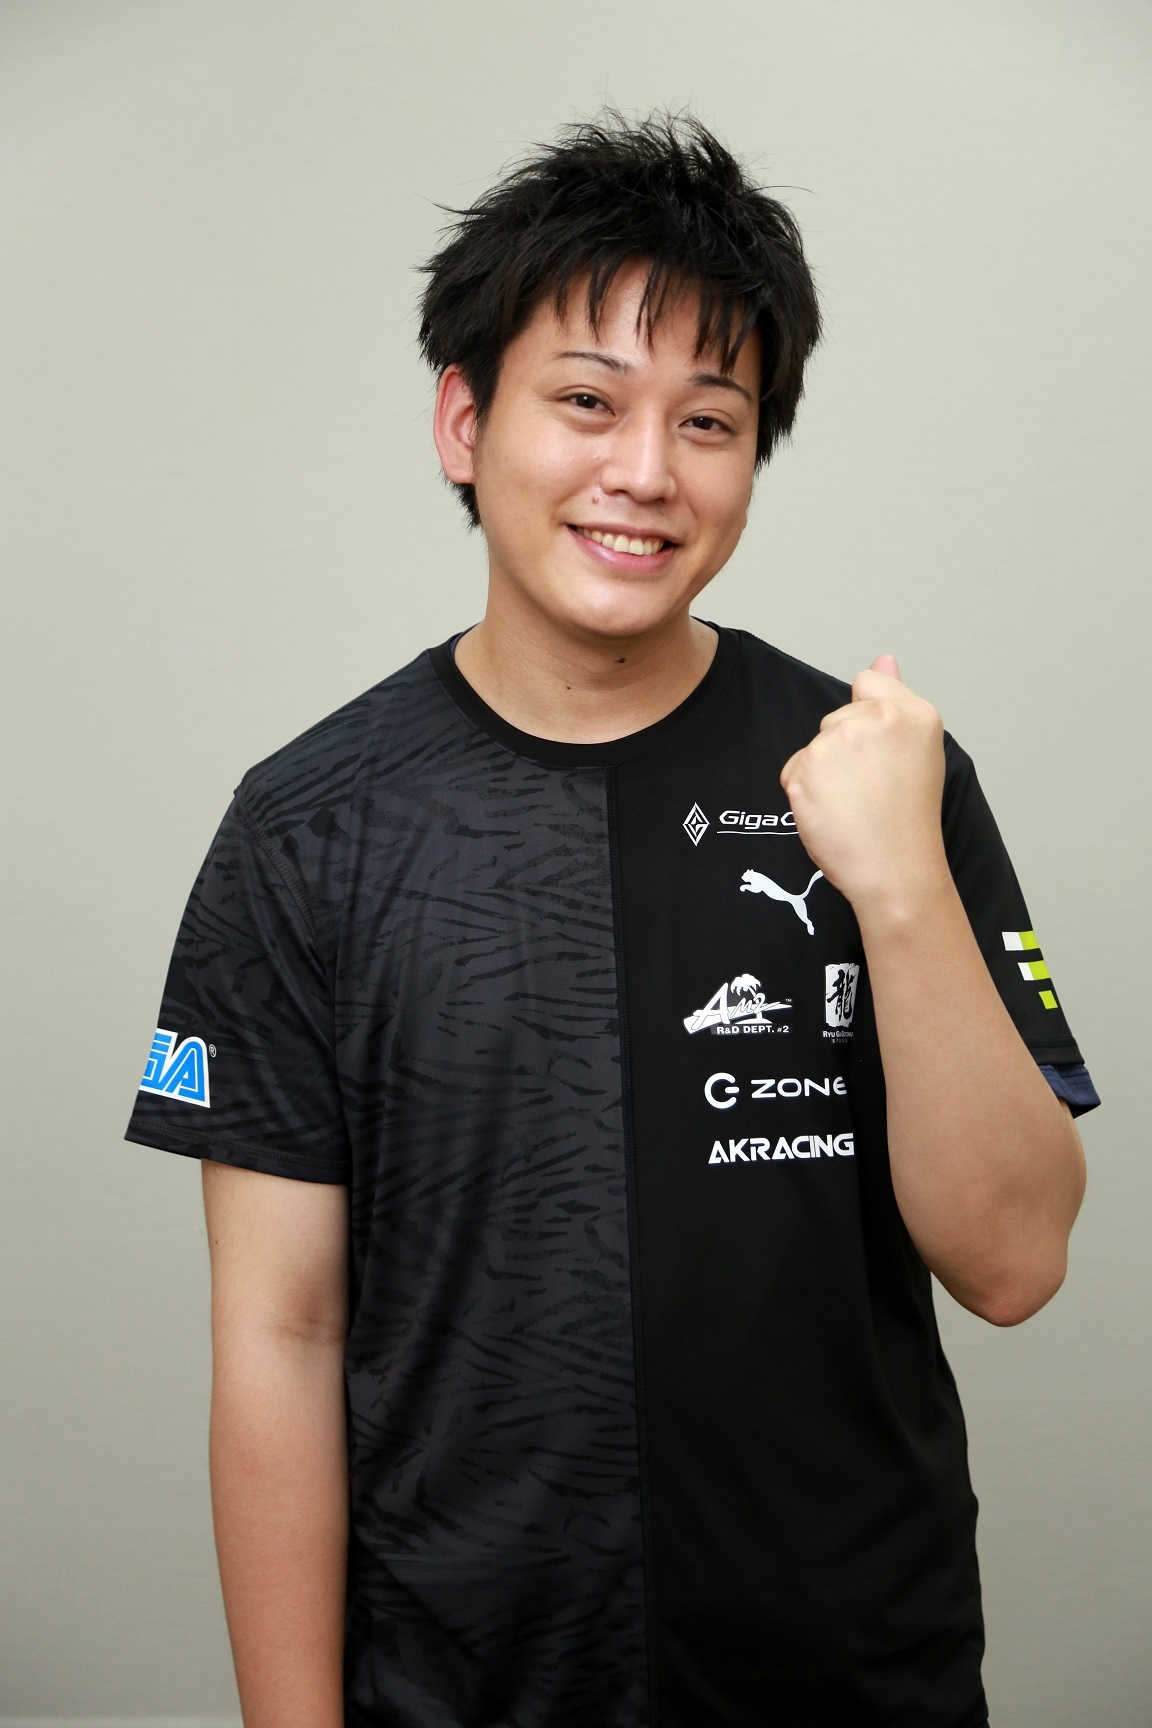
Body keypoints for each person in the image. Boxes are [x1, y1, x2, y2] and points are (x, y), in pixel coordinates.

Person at [126, 113, 1098, 1728]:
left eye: (708, 420)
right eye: (587, 400)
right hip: (459, 1687)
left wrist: (898, 882)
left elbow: (1014, 1261)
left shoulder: (879, 777)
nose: (646, 473)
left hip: (855, 1678)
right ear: (465, 421)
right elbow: (281, 1338)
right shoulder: (306, 828)